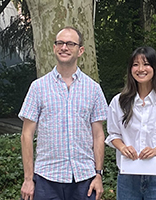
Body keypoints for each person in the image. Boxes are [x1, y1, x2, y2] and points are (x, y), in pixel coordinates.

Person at [19, 26, 108, 200]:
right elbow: (26, 135)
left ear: (80, 50)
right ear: (54, 48)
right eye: (60, 43)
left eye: (70, 44)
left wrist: (98, 175)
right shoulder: (38, 87)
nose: (64, 47)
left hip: (84, 179)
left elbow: (98, 135)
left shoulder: (93, 89)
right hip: (46, 179)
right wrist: (28, 179)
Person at [105, 46, 156, 200]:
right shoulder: (119, 101)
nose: (140, 69)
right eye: (135, 65)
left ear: (155, 67)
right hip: (128, 175)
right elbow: (113, 133)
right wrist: (122, 147)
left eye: (146, 64)